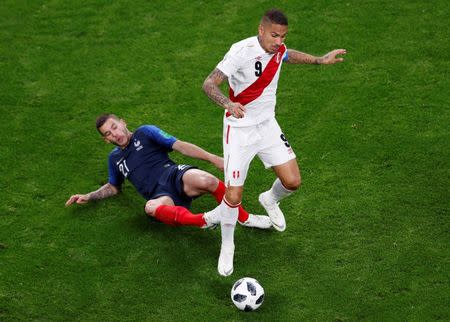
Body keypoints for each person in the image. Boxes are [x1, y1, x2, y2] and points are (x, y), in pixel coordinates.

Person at [202, 9, 346, 275]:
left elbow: (287, 55)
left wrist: (319, 60)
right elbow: (209, 83)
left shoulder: (278, 49)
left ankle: (269, 200)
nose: (278, 41)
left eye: (282, 36)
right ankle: (228, 245)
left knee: (293, 182)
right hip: (240, 129)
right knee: (233, 195)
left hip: (267, 126)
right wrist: (228, 103)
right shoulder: (240, 51)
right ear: (260, 30)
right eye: (274, 35)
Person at [65, 114, 271, 243]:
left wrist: (213, 158)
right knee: (150, 208)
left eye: (115, 127)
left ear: (123, 122)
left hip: (174, 176)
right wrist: (89, 196)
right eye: (108, 133)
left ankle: (244, 217)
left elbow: (180, 145)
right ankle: (203, 221)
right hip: (160, 195)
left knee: (208, 180)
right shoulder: (114, 159)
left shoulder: (145, 133)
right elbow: (113, 187)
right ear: (105, 139)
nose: (115, 134)